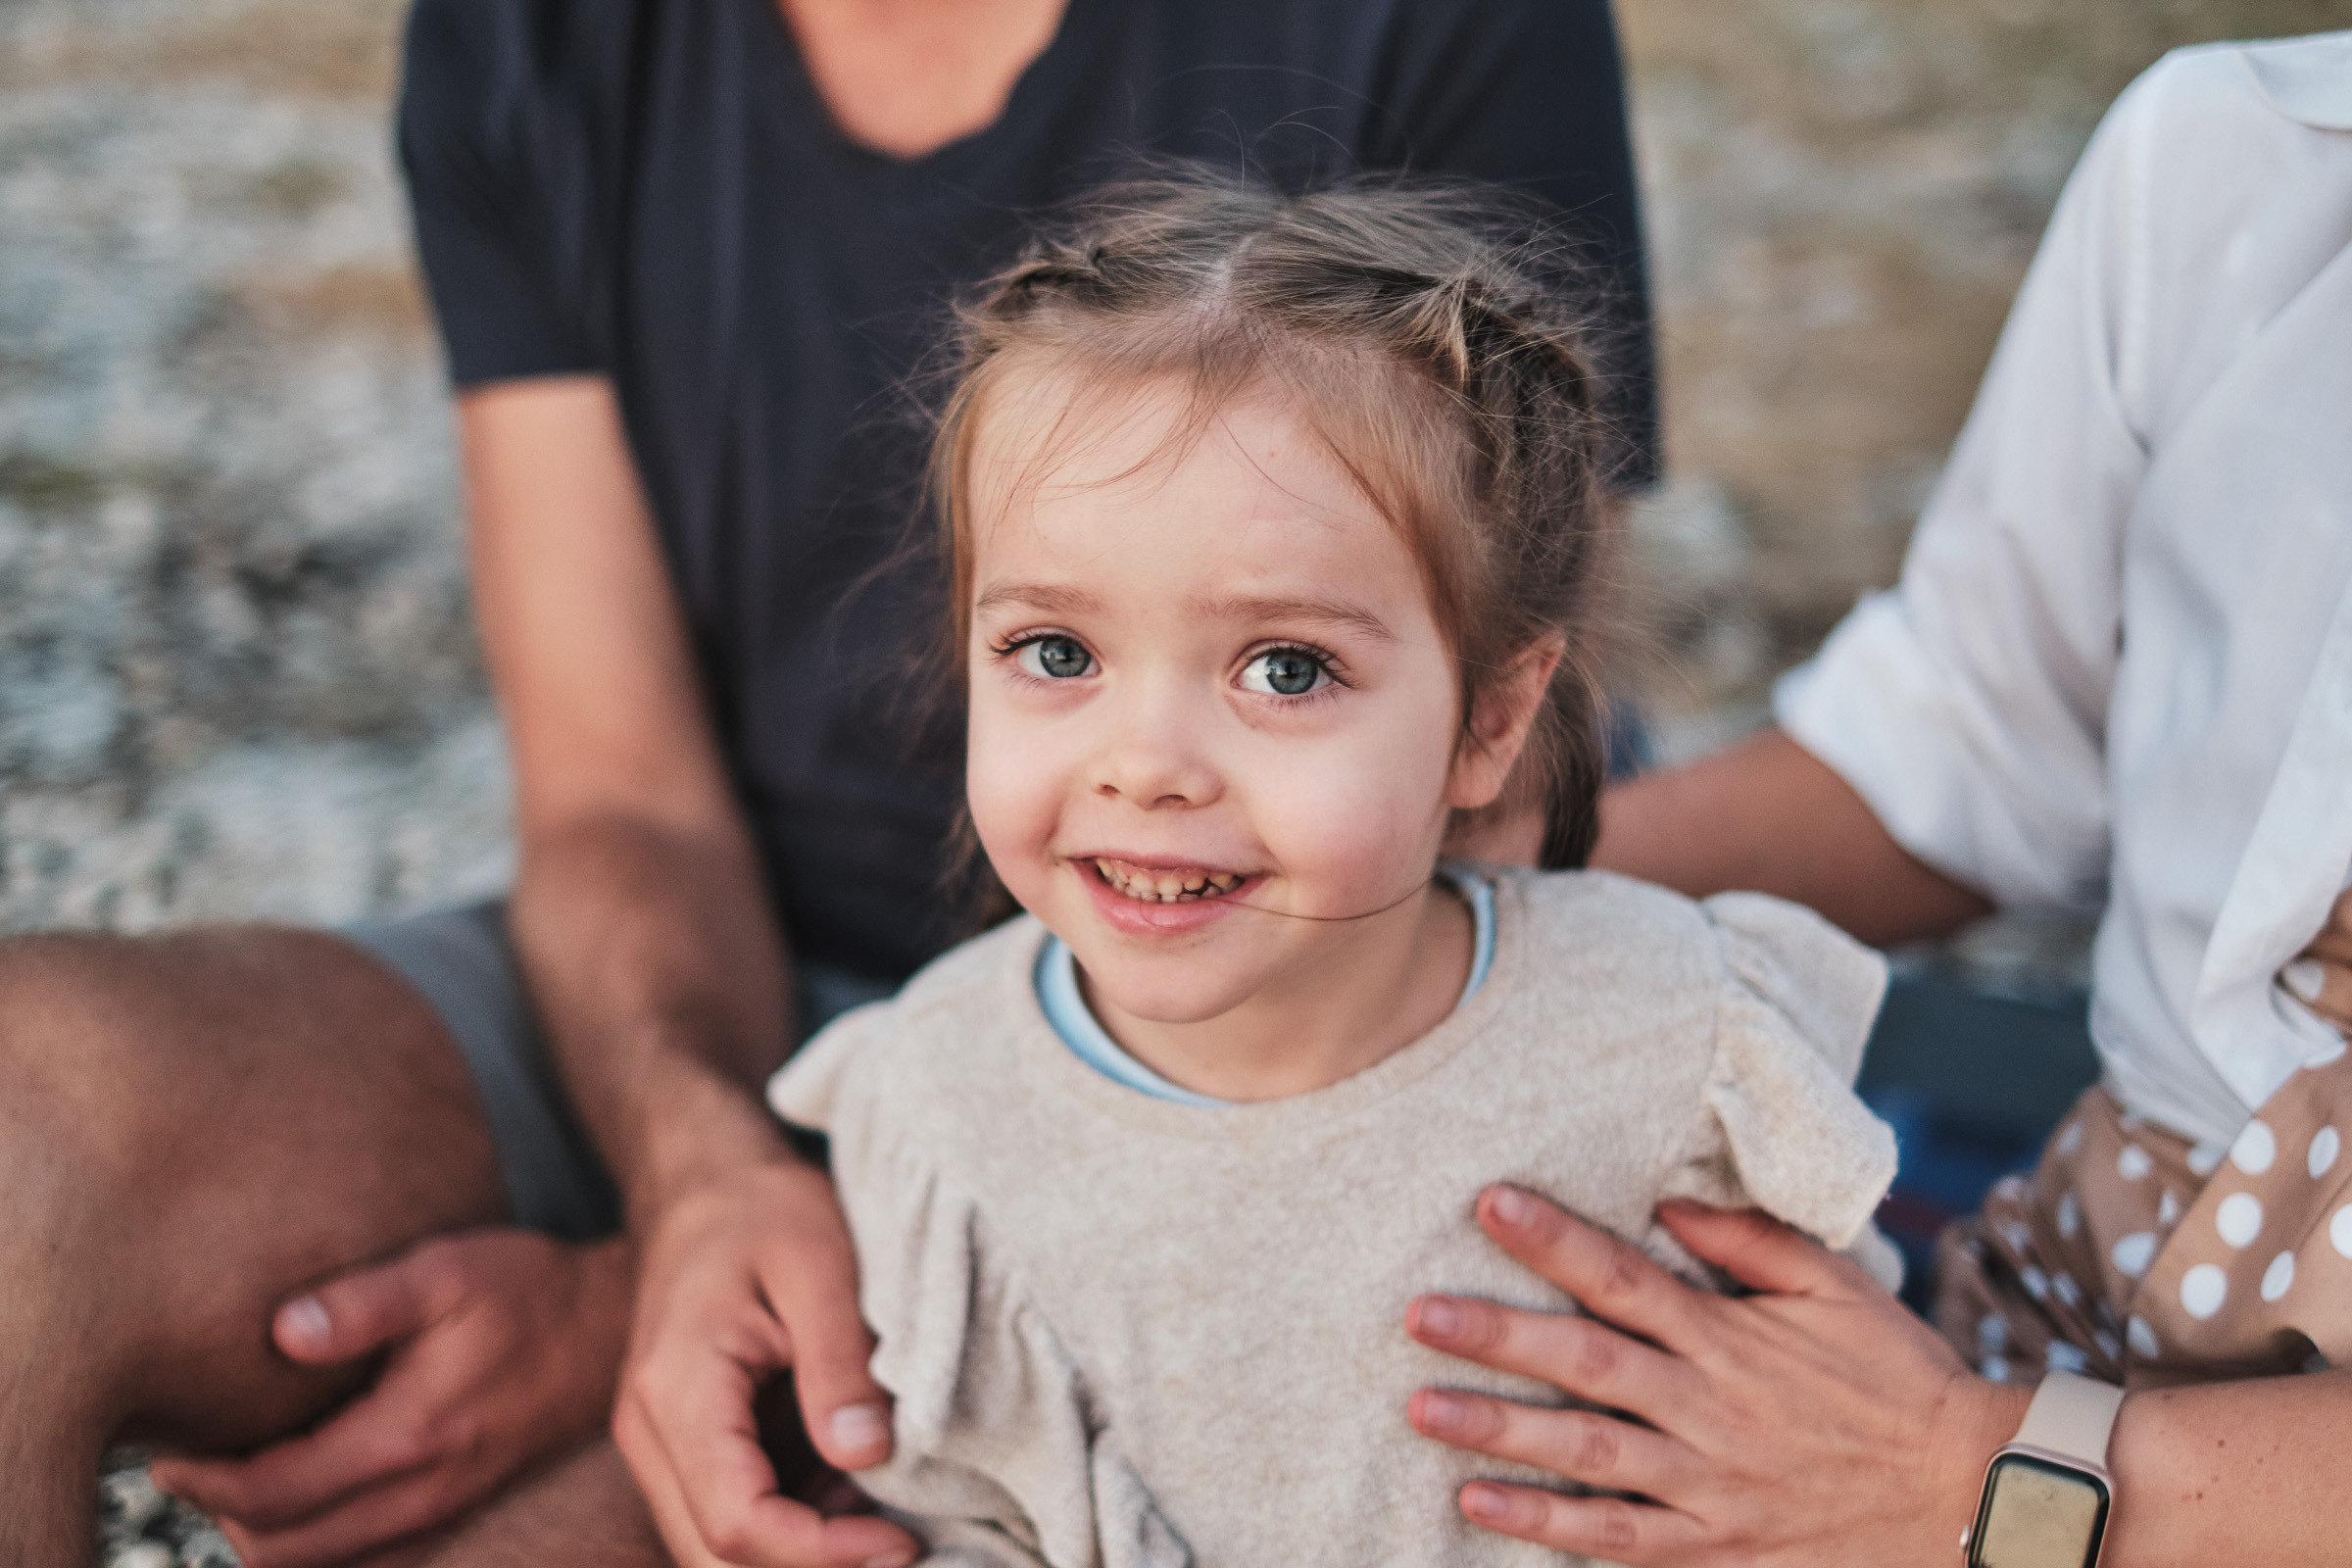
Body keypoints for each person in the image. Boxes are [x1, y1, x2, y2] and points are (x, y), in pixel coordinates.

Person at [0, 3, 1656, 1566]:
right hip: (703, 995)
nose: (1143, 758)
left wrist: (702, 1303)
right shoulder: (528, 32)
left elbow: (1499, 799)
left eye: (1278, 669)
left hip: (1240, 1070)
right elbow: (616, 796)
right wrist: (696, 1188)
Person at [765, 169, 1899, 1567]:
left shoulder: (1674, 1051)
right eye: (1056, 654)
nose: (1149, 764)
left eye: (1284, 668)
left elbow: (1845, 1472)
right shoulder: (942, 1105)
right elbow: (962, 1513)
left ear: (1490, 720)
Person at [1393, 29, 2352, 1565]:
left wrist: (1966, 1477)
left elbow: (1953, 1483)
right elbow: (1967, 756)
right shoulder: (2245, 163)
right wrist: (1419, 925)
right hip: (2055, 1324)